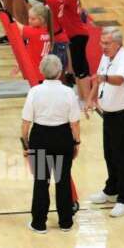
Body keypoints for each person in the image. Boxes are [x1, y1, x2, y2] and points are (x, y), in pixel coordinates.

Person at [21, 55, 81, 233]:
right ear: (60, 71)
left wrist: (26, 145)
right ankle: (65, 222)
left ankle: (39, 223)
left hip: (40, 138)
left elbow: (26, 123)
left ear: (42, 70)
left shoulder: (35, 92)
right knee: (62, 181)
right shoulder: (69, 92)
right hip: (62, 138)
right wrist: (76, 142)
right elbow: (75, 123)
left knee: (41, 181)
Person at [87, 27, 124, 218]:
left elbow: (118, 79)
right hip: (109, 115)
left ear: (117, 43)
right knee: (109, 154)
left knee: (123, 157)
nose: (102, 46)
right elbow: (98, 78)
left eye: (106, 43)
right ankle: (112, 190)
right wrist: (91, 98)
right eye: (101, 42)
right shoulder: (107, 57)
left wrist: (104, 78)